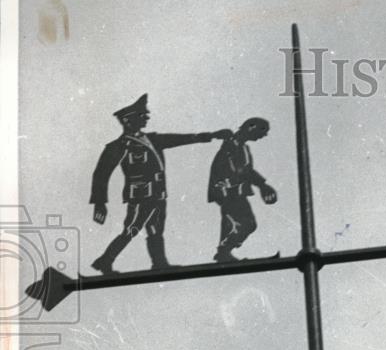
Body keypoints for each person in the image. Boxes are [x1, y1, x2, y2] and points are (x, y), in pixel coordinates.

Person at [90, 94, 230, 273]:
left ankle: (159, 263)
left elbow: (182, 139)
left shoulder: (153, 139)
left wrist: (212, 135)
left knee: (156, 230)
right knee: (132, 229)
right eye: (141, 116)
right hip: (140, 196)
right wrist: (100, 203)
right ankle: (105, 261)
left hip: (158, 194)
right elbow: (101, 175)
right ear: (127, 120)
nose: (146, 118)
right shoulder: (119, 146)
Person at [206, 117, 277, 263]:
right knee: (243, 222)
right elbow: (242, 170)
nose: (264, 135)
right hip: (228, 190)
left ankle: (224, 252)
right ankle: (223, 252)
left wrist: (262, 185)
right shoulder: (233, 143)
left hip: (235, 190)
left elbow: (246, 170)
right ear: (251, 127)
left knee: (244, 222)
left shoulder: (242, 146)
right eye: (263, 131)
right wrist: (262, 185)